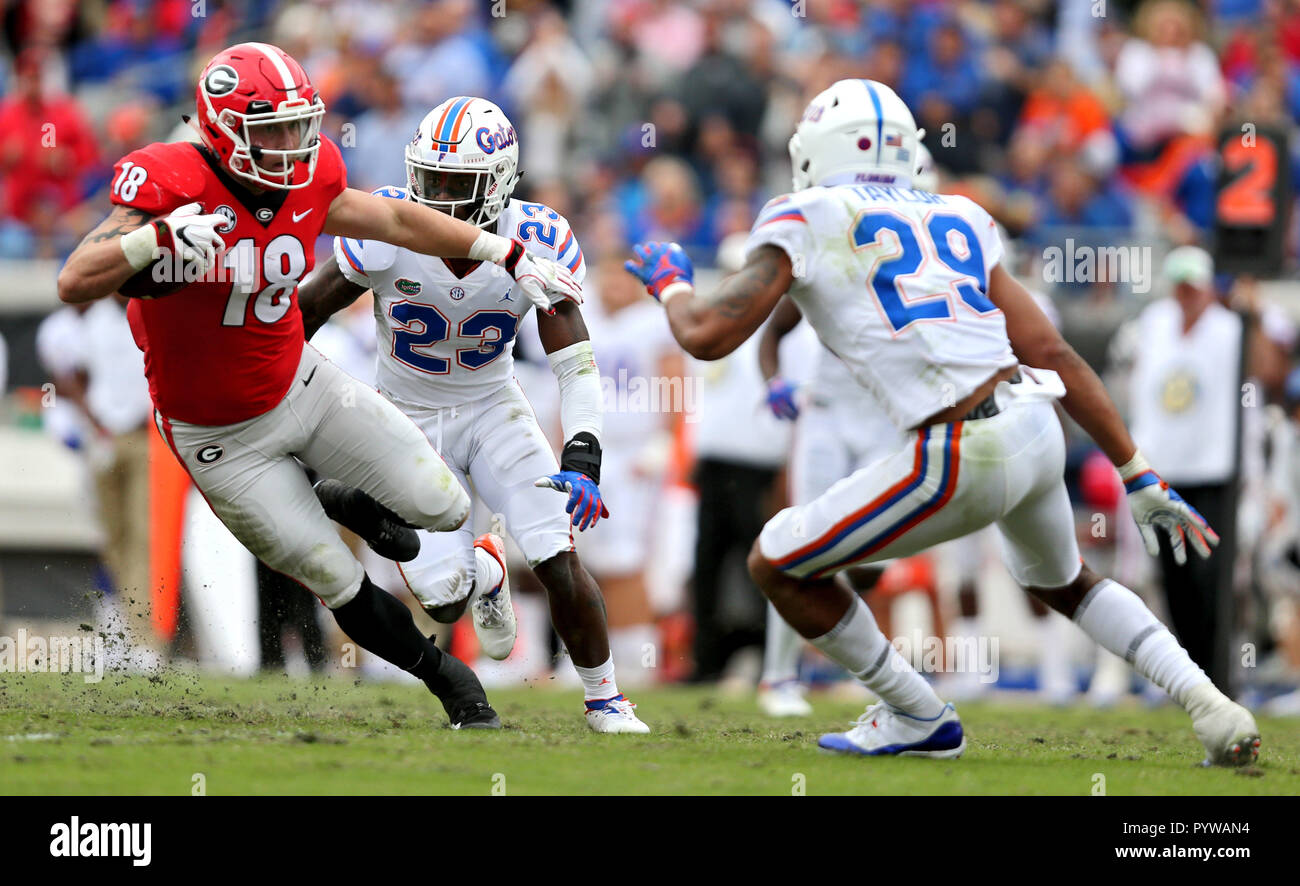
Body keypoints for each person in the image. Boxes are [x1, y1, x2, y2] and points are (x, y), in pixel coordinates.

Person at [624, 78, 1259, 765]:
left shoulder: (807, 212)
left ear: (820, 150)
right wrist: (1135, 470)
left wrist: (672, 284)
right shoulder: (959, 214)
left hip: (962, 447)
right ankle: (1215, 709)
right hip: (1035, 423)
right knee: (1065, 581)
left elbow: (707, 336)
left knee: (775, 562)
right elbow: (1049, 349)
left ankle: (916, 712)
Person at [56, 43, 581, 730]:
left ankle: (336, 494)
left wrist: (503, 249)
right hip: (214, 434)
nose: (288, 145)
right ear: (221, 129)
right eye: (268, 129)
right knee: (335, 576)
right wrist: (152, 241)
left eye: (296, 125)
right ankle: (451, 684)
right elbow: (74, 281)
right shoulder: (170, 177)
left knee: (445, 507)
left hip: (302, 385)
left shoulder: (312, 173)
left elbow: (393, 219)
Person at [297, 96, 649, 734]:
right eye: (426, 180)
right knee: (444, 596)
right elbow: (304, 315)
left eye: (452, 185)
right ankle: (487, 572)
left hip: (493, 408)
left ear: (499, 184)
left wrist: (584, 452)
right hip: (402, 421)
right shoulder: (387, 225)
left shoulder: (539, 238)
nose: (433, 197)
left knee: (554, 547)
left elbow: (574, 359)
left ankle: (606, 700)